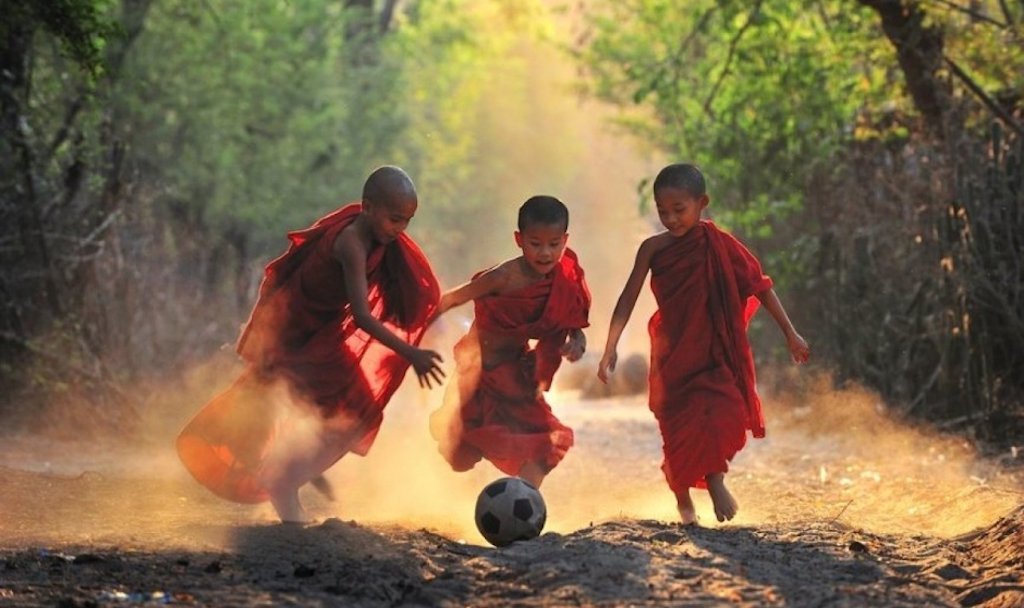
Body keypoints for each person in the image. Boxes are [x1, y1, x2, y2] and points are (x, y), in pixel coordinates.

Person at [177, 166, 445, 523]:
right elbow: (363, 317)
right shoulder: (351, 243)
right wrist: (410, 353)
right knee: (265, 414)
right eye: (395, 219)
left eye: (407, 221)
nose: (400, 231)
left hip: (324, 330)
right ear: (367, 207)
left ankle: (299, 464)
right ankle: (286, 487)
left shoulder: (376, 236)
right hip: (293, 331)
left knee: (355, 406)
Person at [597, 163, 809, 524]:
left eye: (679, 210)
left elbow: (761, 285)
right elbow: (628, 297)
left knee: (722, 413)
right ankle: (683, 503)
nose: (671, 219)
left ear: (702, 203)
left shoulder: (719, 245)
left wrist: (790, 333)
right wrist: (610, 346)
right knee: (676, 426)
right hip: (671, 352)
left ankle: (715, 479)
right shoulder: (652, 249)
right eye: (663, 212)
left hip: (714, 349)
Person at [428, 195, 591, 488]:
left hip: (518, 375)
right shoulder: (503, 277)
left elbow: (572, 321)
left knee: (544, 441)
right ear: (519, 239)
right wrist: (409, 331)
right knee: (460, 457)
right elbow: (452, 299)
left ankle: (527, 504)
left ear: (565, 240)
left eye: (554, 244)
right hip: (476, 375)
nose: (545, 253)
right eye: (535, 243)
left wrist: (577, 341)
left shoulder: (563, 279)